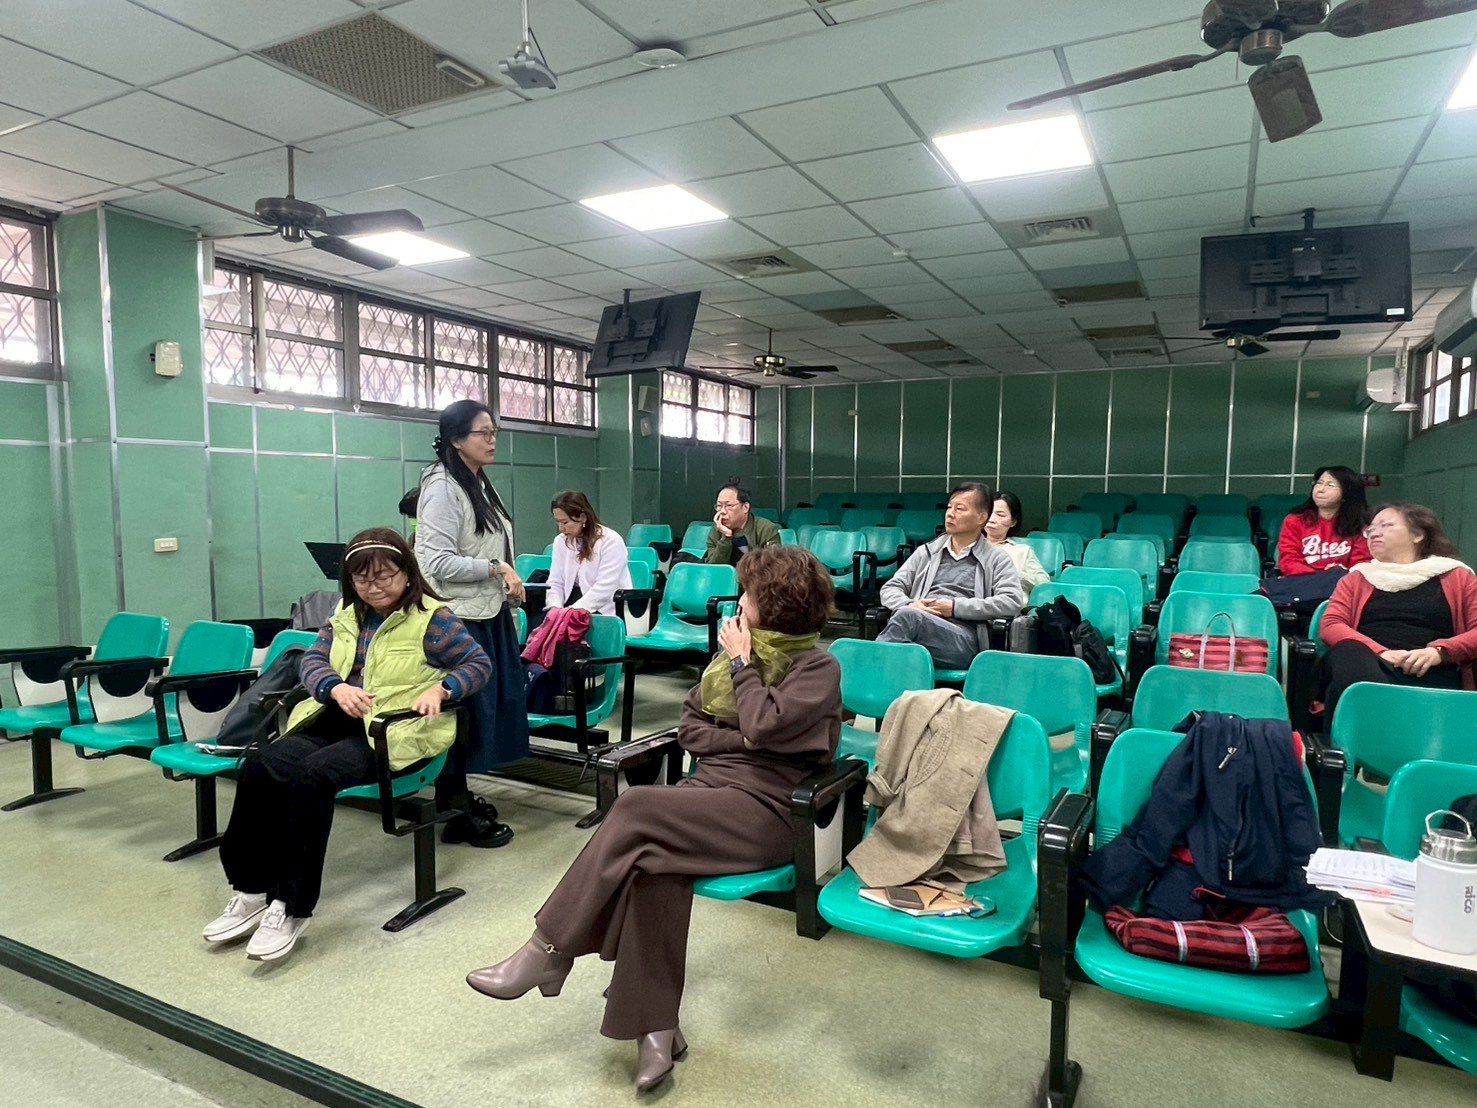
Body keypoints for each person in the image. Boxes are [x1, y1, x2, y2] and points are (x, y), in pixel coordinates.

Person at [464, 546, 841, 1093]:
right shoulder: (726, 663)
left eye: (750, 595)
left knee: (637, 806)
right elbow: (692, 729)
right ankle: (657, 1030)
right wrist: (743, 737)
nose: (740, 603)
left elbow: (762, 723)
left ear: (776, 605)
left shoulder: (816, 667)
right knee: (651, 870)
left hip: (769, 810)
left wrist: (742, 669)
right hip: (707, 795)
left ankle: (548, 951)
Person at [204, 529, 491, 962]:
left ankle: (291, 905)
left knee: (312, 777)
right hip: (338, 717)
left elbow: (477, 664)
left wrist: (443, 689)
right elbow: (313, 660)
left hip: (396, 730)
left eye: (384, 576)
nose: (373, 588)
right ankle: (251, 890)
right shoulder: (345, 613)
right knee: (261, 766)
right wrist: (335, 688)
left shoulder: (434, 619)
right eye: (362, 579)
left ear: (407, 573)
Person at [414, 399, 528, 848]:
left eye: (494, 431)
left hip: (485, 612)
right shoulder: (442, 486)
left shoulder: (476, 481)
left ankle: (455, 799)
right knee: (463, 716)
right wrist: (496, 569)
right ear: (457, 439)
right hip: (459, 618)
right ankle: (457, 812)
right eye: (484, 432)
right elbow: (435, 562)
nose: (492, 439)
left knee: (481, 713)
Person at [1318, 502, 1477, 718]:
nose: (1374, 533)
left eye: (1386, 526)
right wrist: (1382, 653)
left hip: (1435, 671)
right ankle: (1382, 722)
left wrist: (1439, 652)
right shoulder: (1356, 578)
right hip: (1370, 668)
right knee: (1348, 652)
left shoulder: (1457, 576)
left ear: (1417, 535)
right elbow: (1331, 625)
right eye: (1371, 529)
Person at [875, 482, 1024, 669]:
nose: (950, 514)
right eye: (949, 507)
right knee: (906, 629)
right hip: (917, 625)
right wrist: (910, 604)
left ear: (981, 517)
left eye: (960, 509)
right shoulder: (927, 552)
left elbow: (1011, 601)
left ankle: (869, 673)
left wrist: (954, 608)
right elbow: (890, 588)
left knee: (906, 620)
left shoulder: (996, 558)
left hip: (963, 640)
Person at [546, 491, 632, 617]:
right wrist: (555, 609)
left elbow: (604, 589)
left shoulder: (611, 541)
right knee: (541, 623)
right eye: (557, 522)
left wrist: (571, 612)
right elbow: (555, 582)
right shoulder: (560, 541)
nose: (561, 528)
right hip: (570, 604)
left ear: (582, 518)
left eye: (565, 522)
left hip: (603, 608)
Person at [1277, 466, 1372, 576]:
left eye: (1330, 485)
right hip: (1303, 580)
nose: (1320, 489)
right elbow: (1289, 560)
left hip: (1346, 582)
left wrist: (1340, 575)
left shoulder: (1360, 523)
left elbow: (1362, 563)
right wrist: (1320, 578)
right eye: (1319, 483)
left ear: (1347, 493)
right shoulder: (1295, 520)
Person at [985, 491, 1050, 599]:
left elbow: (1044, 583)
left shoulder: (1023, 551)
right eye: (989, 513)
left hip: (1011, 606)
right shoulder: (969, 546)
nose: (991, 520)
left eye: (1000, 515)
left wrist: (1015, 574)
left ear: (1013, 522)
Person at [704, 482, 780, 565]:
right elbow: (714, 567)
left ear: (745, 507)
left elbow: (772, 567)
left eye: (728, 505)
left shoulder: (766, 529)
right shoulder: (716, 531)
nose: (722, 511)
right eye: (719, 506)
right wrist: (726, 538)